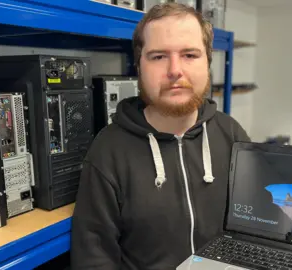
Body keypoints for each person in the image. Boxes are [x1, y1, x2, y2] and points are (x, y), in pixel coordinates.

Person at [71, 3, 250, 269]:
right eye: (158, 57)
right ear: (139, 67)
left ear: (208, 62)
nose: (175, 70)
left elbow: (257, 232)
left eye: (189, 55)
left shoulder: (232, 135)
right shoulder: (108, 150)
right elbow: (94, 260)